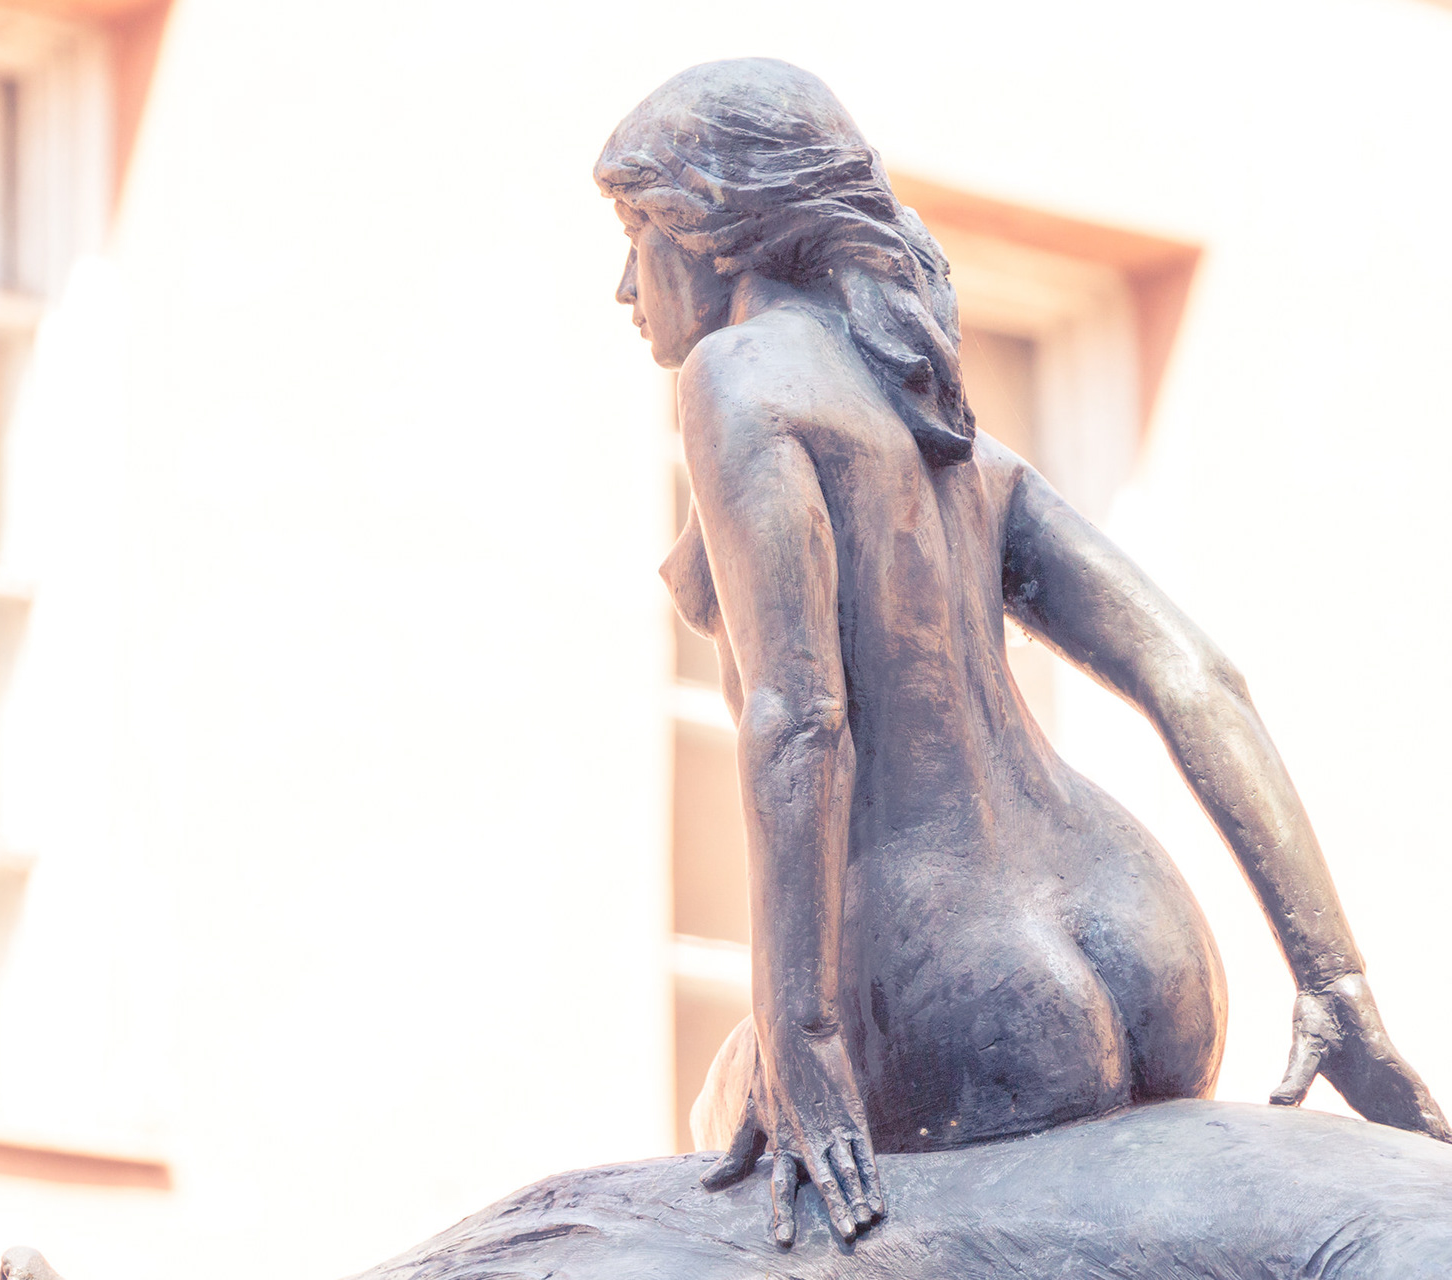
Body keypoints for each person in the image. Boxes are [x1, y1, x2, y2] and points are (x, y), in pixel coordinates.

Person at [594, 57, 1449, 1250]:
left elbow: (800, 716)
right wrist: (1334, 979)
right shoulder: (957, 441)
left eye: (636, 232)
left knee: (713, 1107)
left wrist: (802, 1037)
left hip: (947, 974)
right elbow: (1195, 671)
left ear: (718, 229)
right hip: (1145, 933)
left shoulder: (736, 378)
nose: (624, 285)